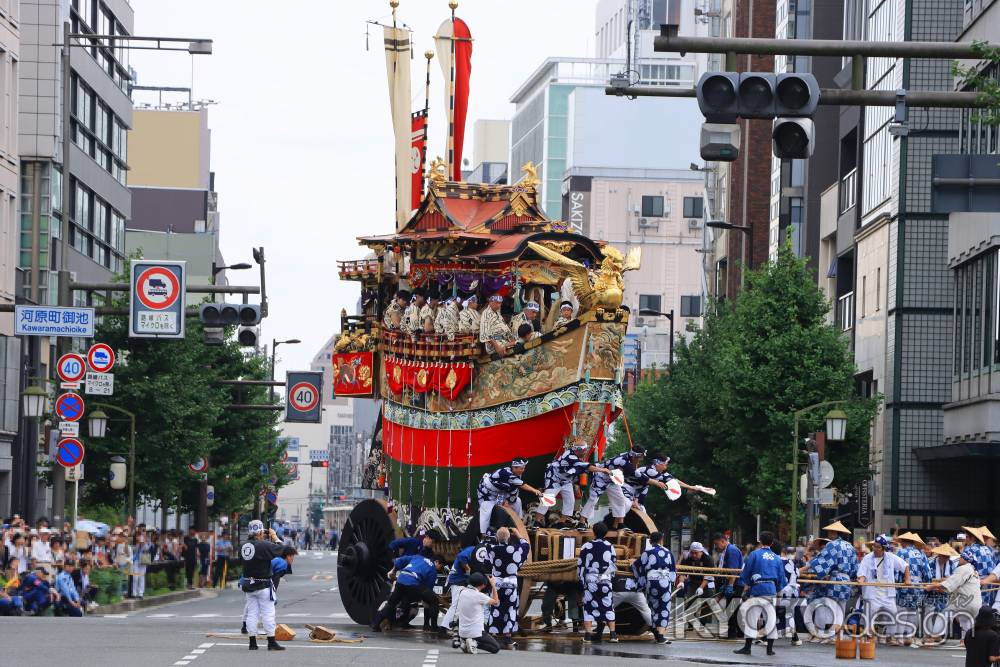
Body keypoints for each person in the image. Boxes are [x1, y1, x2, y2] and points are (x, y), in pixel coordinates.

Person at [800, 521, 858, 638]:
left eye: (830, 532)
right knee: (841, 609)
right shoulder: (850, 546)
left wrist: (804, 568)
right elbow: (855, 567)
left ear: (833, 532)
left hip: (835, 580)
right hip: (847, 581)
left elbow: (822, 562)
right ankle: (838, 635)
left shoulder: (832, 545)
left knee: (831, 608)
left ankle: (830, 634)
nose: (828, 534)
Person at [733, 531, 786, 657]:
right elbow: (781, 578)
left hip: (757, 589)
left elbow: (747, 572)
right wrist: (777, 588)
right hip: (771, 589)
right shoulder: (777, 558)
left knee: (752, 617)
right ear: (772, 543)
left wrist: (746, 584)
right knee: (771, 619)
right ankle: (770, 649)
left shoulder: (754, 554)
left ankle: (747, 648)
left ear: (760, 541)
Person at [534, 440, 610, 528]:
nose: (585, 452)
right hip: (554, 479)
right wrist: (603, 470)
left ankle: (561, 523)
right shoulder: (570, 456)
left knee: (570, 501)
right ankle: (537, 522)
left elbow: (583, 466)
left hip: (566, 481)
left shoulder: (577, 456)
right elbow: (586, 466)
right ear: (579, 450)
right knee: (548, 500)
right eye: (584, 450)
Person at [370, 551, 447, 636]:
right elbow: (428, 589)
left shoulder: (418, 557)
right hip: (413, 583)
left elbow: (400, 560)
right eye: (441, 566)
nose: (440, 569)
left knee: (391, 603)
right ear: (437, 562)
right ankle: (434, 627)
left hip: (401, 579)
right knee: (433, 600)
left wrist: (394, 571)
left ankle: (376, 624)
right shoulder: (432, 569)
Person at [239, 521, 287, 651]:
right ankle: (271, 642)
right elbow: (282, 549)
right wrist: (275, 536)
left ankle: (252, 643)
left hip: (249, 584)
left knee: (252, 614)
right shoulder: (264, 545)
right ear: (260, 532)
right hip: (263, 584)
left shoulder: (243, 546)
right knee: (268, 613)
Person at [856, 534, 910, 642]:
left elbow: (905, 566)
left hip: (887, 594)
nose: (875, 549)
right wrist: (861, 580)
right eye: (874, 546)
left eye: (878, 547)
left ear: (884, 548)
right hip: (872, 594)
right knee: (869, 616)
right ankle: (869, 636)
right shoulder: (867, 558)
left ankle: (891, 637)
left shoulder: (890, 557)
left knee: (893, 614)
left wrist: (907, 579)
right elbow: (862, 572)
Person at [580, 445, 645, 530]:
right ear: (635, 456)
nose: (641, 460)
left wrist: (634, 464)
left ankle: (619, 525)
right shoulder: (624, 462)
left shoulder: (628, 457)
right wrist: (658, 483)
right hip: (601, 477)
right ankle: (581, 523)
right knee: (593, 499)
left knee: (620, 499)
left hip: (613, 480)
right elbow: (641, 477)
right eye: (640, 457)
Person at [487, 527, 530, 649]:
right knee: (510, 609)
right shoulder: (515, 549)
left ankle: (493, 634)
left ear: (497, 538)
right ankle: (508, 638)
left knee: (496, 608)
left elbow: (488, 544)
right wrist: (518, 534)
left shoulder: (492, 549)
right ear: (509, 538)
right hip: (511, 584)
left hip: (497, 584)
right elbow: (526, 546)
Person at [476, 458, 544, 535]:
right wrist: (535, 490)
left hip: (501, 491)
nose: (523, 470)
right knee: (486, 507)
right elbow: (522, 485)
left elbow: (515, 487)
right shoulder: (505, 472)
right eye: (521, 469)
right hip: (487, 492)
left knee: (517, 501)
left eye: (523, 468)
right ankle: (484, 534)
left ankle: (520, 524)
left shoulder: (517, 474)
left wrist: (508, 500)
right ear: (514, 468)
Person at [928, 547, 983, 640]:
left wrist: (932, 586)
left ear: (965, 559)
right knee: (965, 619)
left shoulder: (963, 569)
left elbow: (950, 584)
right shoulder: (974, 571)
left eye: (961, 557)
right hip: (975, 603)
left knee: (944, 614)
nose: (959, 559)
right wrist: (941, 585)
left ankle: (935, 636)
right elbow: (955, 583)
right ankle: (967, 640)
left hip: (964, 601)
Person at [632, 530, 676, 644]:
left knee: (653, 607)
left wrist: (641, 581)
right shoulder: (668, 552)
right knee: (664, 607)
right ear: (662, 540)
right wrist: (672, 581)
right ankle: (661, 635)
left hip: (652, 582)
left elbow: (636, 566)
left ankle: (656, 633)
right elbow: (672, 570)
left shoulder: (647, 552)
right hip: (665, 582)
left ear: (650, 541)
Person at [579, 521, 618, 643]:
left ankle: (588, 636)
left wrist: (582, 580)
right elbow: (613, 564)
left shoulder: (586, 546)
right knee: (608, 606)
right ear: (606, 533)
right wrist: (610, 578)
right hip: (605, 580)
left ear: (593, 532)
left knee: (589, 607)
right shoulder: (610, 546)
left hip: (591, 580)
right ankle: (612, 635)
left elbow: (581, 566)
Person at [895, 531, 931, 646]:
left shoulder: (901, 552)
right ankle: (909, 636)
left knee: (902, 609)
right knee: (913, 610)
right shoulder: (921, 554)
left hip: (905, 583)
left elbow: (897, 570)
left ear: (904, 542)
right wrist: (927, 583)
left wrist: (896, 582)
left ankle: (900, 637)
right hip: (918, 585)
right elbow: (927, 572)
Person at [454, 572, 501, 654]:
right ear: (482, 585)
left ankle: (465, 642)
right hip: (475, 632)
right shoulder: (479, 596)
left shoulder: (462, 592)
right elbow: (496, 602)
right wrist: (493, 585)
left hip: (463, 632)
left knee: (484, 627)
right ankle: (474, 643)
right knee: (496, 648)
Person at [926, 543, 958, 642]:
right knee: (929, 612)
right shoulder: (930, 563)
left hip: (944, 592)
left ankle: (936, 635)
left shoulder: (951, 564)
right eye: (944, 556)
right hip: (931, 591)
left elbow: (953, 578)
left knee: (942, 613)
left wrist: (943, 581)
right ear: (939, 555)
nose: (946, 558)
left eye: (947, 556)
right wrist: (941, 581)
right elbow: (928, 578)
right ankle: (929, 634)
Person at [776, 544, 803, 646]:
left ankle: (766, 638)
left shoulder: (777, 561)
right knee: (789, 614)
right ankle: (795, 638)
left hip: (781, 592)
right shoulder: (792, 564)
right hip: (793, 593)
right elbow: (797, 574)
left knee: (772, 613)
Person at [963, 527, 997, 606]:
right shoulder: (989, 549)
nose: (965, 539)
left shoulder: (970, 549)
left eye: (966, 537)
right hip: (988, 583)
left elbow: (960, 565)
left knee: (974, 607)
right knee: (984, 607)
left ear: (972, 538)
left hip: (977, 583)